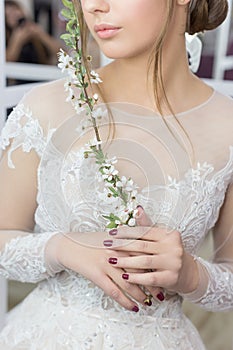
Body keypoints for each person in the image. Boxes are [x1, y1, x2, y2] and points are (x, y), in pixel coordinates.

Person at [0, 0, 232, 349]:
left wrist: (189, 274)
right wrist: (63, 248)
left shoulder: (228, 127)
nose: (94, 6)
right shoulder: (45, 108)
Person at [5, 0, 61, 75]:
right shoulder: (6, 39)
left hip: (42, 76)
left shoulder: (35, 32)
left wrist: (41, 35)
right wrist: (17, 41)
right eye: (9, 14)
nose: (15, 15)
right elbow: (6, 63)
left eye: (16, 10)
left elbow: (61, 54)